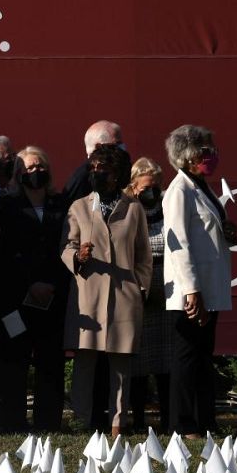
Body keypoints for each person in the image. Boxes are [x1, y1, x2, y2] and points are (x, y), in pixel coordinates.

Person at [63, 146, 151, 436]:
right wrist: (77, 258)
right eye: (93, 168)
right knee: (85, 361)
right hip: (89, 294)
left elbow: (143, 255)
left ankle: (118, 423)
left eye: (103, 169)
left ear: (117, 174)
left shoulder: (134, 208)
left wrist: (140, 287)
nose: (96, 174)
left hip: (124, 294)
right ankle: (80, 421)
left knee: (121, 363)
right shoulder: (78, 207)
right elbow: (67, 246)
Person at [161, 125, 235, 437]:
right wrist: (192, 290)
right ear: (188, 156)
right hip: (192, 290)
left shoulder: (202, 187)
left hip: (210, 287)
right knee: (187, 357)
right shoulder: (178, 191)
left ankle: (207, 420)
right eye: (205, 150)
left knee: (204, 358)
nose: (211, 155)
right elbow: (177, 243)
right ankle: (184, 423)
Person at [0, 146, 69, 431]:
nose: (35, 172)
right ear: (17, 174)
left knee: (50, 362)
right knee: (12, 361)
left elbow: (65, 248)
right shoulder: (6, 206)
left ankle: (48, 421)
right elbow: (3, 253)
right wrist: (29, 284)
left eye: (40, 166)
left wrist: (52, 284)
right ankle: (9, 419)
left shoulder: (61, 205)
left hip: (53, 296)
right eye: (29, 168)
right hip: (16, 298)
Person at [127, 157, 173, 431]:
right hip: (138, 289)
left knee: (166, 361)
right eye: (145, 187)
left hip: (167, 287)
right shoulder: (128, 211)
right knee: (138, 363)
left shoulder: (168, 207)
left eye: (155, 186)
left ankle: (169, 419)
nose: (151, 191)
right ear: (133, 187)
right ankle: (138, 421)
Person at [63, 120, 123, 203]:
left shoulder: (116, 171)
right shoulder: (83, 178)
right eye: (116, 144)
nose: (121, 148)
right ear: (98, 146)